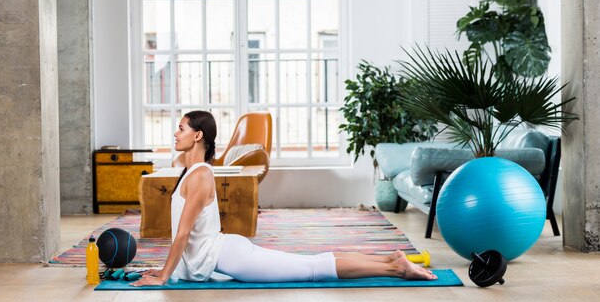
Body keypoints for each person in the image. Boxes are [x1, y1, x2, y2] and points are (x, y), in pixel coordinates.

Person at [131, 111, 437, 286]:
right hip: (224, 252)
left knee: (312, 270)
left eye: (181, 129)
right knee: (311, 264)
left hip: (228, 256)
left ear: (198, 135)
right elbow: (184, 231)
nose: (175, 133)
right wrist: (163, 270)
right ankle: (390, 258)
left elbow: (183, 233)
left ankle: (396, 268)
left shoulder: (198, 175)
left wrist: (164, 277)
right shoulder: (192, 170)